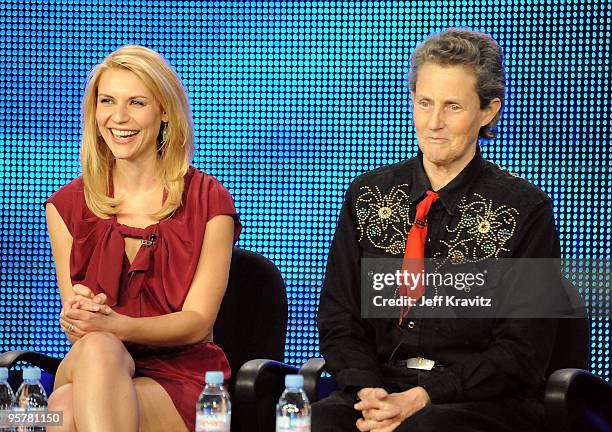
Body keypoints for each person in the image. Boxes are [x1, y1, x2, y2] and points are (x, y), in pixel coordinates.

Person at [314, 29, 562, 432]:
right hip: (381, 387)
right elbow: (340, 318)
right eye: (424, 103)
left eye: (453, 107)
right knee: (318, 422)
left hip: (479, 401)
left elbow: (522, 351)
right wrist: (368, 390)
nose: (433, 123)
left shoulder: (525, 209)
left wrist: (425, 396)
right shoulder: (368, 195)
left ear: (488, 111)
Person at [45, 45, 240, 432]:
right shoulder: (65, 206)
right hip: (93, 360)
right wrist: (81, 317)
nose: (118, 118)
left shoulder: (207, 199)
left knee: (65, 409)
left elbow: (198, 323)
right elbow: (79, 323)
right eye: (107, 101)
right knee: (97, 349)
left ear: (164, 111)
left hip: (181, 375)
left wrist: (116, 326)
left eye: (136, 102)